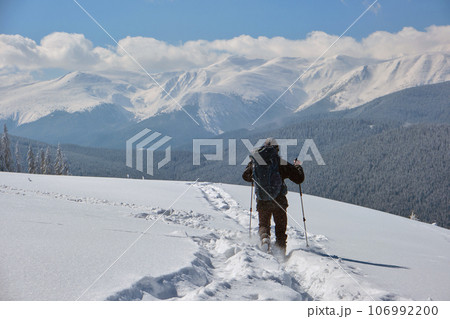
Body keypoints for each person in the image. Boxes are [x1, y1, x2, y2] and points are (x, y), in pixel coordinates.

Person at [242, 138, 304, 256]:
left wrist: (252, 166)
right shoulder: (280, 163)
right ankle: (280, 254)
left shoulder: (257, 162)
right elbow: (299, 178)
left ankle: (265, 238)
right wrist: (298, 166)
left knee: (264, 225)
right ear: (277, 150)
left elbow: (245, 176)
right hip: (279, 201)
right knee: (280, 230)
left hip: (262, 200)